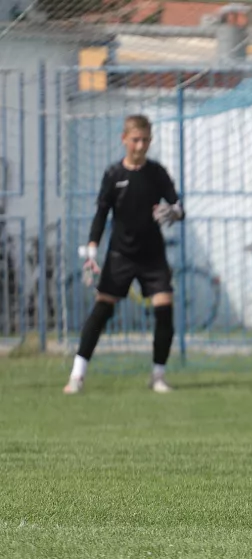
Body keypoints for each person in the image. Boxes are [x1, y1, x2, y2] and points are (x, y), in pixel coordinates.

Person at [63, 114, 184, 395]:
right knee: (102, 310)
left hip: (152, 256)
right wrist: (92, 248)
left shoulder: (157, 173)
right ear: (124, 139)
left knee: (164, 310)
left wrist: (174, 212)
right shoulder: (114, 174)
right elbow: (101, 213)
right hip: (121, 255)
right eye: (135, 140)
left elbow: (178, 206)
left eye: (145, 140)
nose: (140, 146)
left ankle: (158, 376)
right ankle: (77, 375)